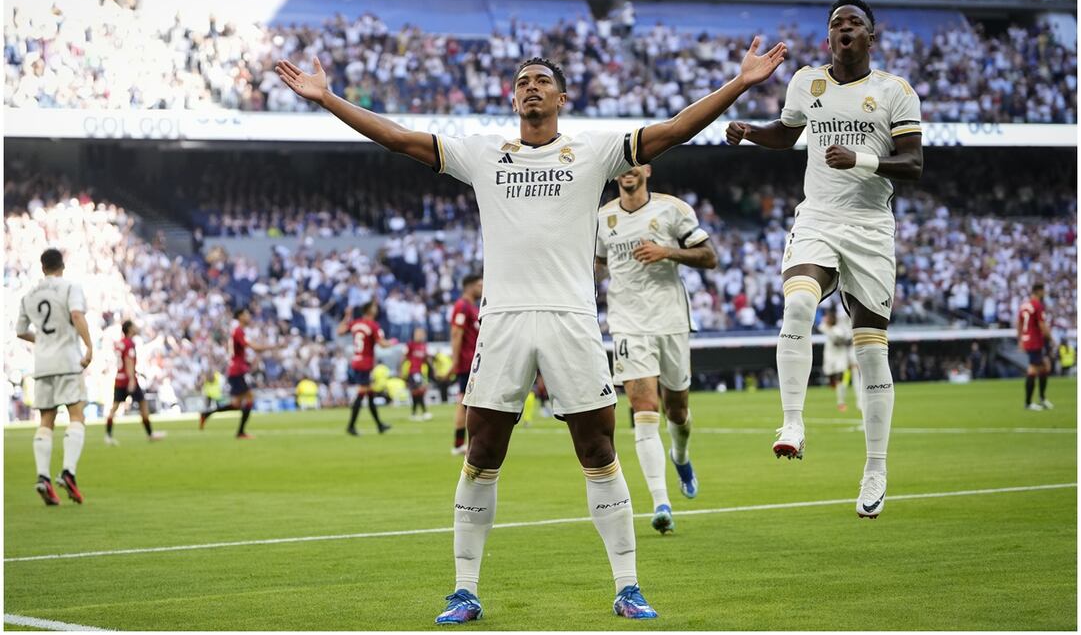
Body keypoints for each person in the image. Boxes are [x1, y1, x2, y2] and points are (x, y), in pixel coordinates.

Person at [276, 34, 785, 622]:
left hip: (572, 321)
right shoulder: (482, 154)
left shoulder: (594, 152)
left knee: (598, 449)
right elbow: (398, 138)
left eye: (542, 81)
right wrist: (328, 99)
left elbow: (673, 131)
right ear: (512, 98)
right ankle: (465, 590)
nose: (531, 88)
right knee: (482, 451)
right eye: (522, 82)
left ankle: (628, 586)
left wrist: (739, 84)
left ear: (562, 98)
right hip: (504, 322)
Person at [727, 0, 923, 519]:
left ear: (870, 38)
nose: (844, 28)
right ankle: (792, 421)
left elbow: (913, 163)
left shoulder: (895, 92)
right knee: (797, 305)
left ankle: (875, 468)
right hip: (817, 216)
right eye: (837, 23)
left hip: (871, 227)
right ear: (828, 37)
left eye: (854, 22)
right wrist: (750, 132)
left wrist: (860, 159)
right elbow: (786, 133)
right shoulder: (806, 83)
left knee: (871, 351)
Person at [595, 164, 718, 535]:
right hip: (627, 323)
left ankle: (680, 455)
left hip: (671, 320)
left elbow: (709, 257)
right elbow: (599, 264)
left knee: (677, 409)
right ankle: (661, 503)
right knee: (644, 408)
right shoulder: (602, 217)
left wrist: (666, 251)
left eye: (633, 165)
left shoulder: (672, 209)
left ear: (646, 170)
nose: (627, 173)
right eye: (621, 168)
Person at [15, 248, 92, 506]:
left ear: (42, 267)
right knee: (76, 415)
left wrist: (43, 341)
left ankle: (43, 477)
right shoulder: (70, 287)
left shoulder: (29, 295)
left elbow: (20, 331)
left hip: (43, 364)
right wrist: (89, 345)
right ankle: (68, 472)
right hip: (67, 360)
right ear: (62, 265)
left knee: (46, 419)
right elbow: (77, 315)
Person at [200, 308, 277, 439]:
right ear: (240, 316)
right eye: (246, 314)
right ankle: (240, 432)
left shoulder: (238, 331)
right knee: (249, 398)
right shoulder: (238, 331)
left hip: (236, 370)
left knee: (236, 404)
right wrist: (273, 346)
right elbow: (253, 347)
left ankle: (206, 414)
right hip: (237, 371)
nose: (248, 316)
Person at [105, 320, 166, 445]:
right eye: (133, 326)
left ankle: (108, 435)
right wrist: (132, 379)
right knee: (142, 404)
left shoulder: (121, 343)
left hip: (119, 378)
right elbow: (128, 361)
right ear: (129, 329)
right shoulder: (129, 343)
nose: (136, 328)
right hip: (128, 379)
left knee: (115, 407)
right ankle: (150, 434)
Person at [339, 301, 395, 435]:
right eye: (374, 307)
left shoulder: (355, 323)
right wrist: (392, 342)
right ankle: (351, 426)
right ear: (369, 310)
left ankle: (379, 425)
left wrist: (347, 316)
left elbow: (339, 331)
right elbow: (382, 344)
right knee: (361, 393)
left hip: (357, 360)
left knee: (370, 394)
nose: (376, 309)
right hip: (365, 363)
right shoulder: (373, 325)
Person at [448, 274, 482, 455]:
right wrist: (455, 361)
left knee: (467, 403)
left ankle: (461, 444)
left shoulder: (471, 307)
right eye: (479, 285)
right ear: (469, 286)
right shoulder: (462, 306)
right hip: (467, 362)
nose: (482, 288)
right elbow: (456, 333)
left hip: (473, 361)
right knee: (467, 403)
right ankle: (463, 444)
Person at [1018, 282, 1053, 410]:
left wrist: (1020, 339)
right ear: (1038, 291)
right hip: (1035, 340)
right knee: (1033, 369)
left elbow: (1019, 323)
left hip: (1028, 339)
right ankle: (1028, 403)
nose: (1044, 293)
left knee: (1045, 366)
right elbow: (1042, 325)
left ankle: (1042, 398)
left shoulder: (1024, 305)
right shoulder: (1037, 305)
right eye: (1043, 291)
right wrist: (1051, 339)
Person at [819, 307, 859, 412]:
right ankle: (839, 393)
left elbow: (845, 339)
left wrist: (845, 341)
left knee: (851, 374)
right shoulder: (828, 328)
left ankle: (854, 402)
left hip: (844, 355)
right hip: (832, 356)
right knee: (835, 377)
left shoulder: (840, 329)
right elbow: (823, 327)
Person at [404, 326, 433, 421]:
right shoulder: (410, 345)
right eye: (418, 334)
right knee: (419, 391)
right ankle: (423, 412)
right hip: (413, 371)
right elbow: (404, 357)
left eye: (421, 334)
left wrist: (432, 368)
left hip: (421, 372)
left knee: (417, 392)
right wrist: (400, 370)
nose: (420, 336)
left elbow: (426, 359)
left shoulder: (424, 346)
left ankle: (414, 413)